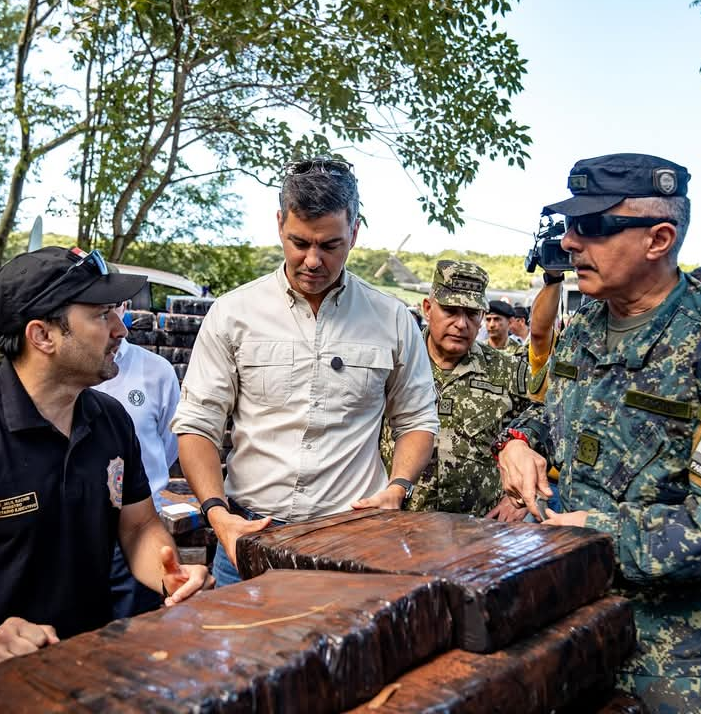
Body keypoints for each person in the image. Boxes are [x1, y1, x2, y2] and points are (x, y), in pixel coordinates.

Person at [494, 153, 701, 713]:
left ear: (658, 238)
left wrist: (603, 535)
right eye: (569, 226)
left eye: (591, 227)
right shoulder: (583, 330)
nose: (569, 243)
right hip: (585, 628)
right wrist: (519, 445)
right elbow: (548, 416)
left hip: (687, 664)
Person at [0, 246, 212, 681]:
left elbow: (137, 525)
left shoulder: (110, 420)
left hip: (87, 670)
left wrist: (168, 574)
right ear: (43, 335)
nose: (121, 329)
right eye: (102, 315)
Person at [172, 157, 439, 586]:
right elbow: (198, 424)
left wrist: (398, 488)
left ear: (354, 232)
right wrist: (219, 517)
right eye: (299, 242)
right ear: (280, 224)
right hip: (251, 536)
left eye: (330, 245)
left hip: (351, 541)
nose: (312, 260)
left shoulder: (391, 319)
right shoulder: (233, 313)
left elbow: (417, 418)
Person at [381, 260, 530, 521]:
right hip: (399, 526)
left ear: (481, 317)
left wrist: (520, 498)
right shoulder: (393, 362)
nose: (461, 324)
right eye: (450, 311)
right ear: (428, 308)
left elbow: (553, 422)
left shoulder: (507, 370)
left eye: (472, 314)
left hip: (480, 531)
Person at [93, 297, 181, 618]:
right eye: (100, 311)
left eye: (114, 306)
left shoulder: (156, 371)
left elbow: (168, 445)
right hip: (80, 535)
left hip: (142, 526)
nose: (115, 326)